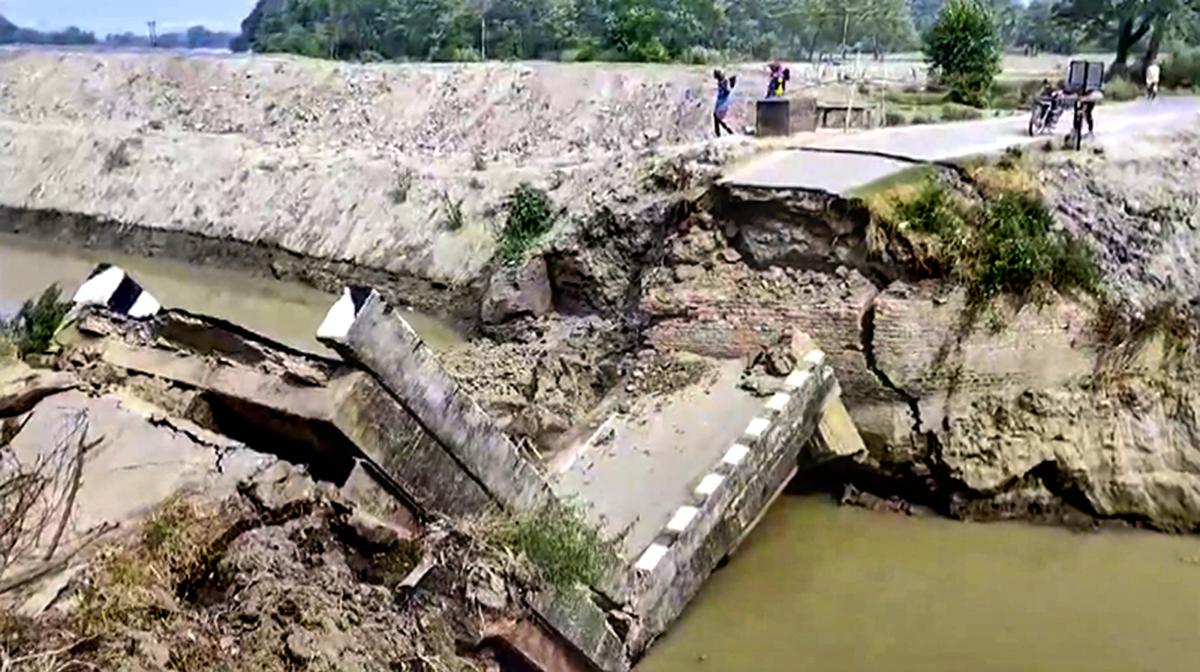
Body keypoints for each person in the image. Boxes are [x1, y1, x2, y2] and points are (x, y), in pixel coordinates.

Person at [713, 69, 737, 137]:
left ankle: (727, 131)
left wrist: (723, 87)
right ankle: (722, 132)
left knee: (717, 117)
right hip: (721, 101)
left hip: (724, 101)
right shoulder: (721, 81)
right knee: (716, 116)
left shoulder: (724, 81)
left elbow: (728, 90)